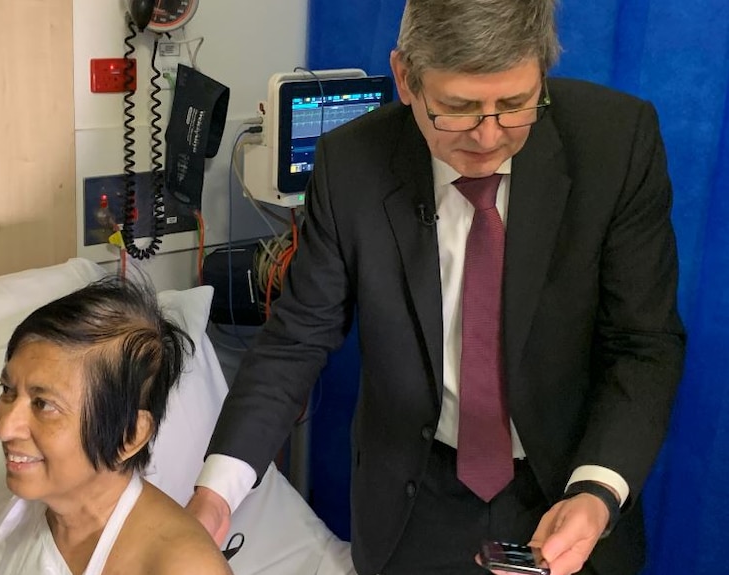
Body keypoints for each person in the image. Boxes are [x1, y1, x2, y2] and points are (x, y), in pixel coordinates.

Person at [187, 1, 686, 574]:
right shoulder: (351, 163)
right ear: (406, 78)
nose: (489, 136)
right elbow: (297, 339)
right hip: (413, 499)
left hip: (571, 484)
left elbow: (642, 344)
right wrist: (215, 495)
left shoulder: (616, 144)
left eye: (516, 105)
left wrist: (597, 492)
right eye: (458, 109)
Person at [0, 277, 233, 575]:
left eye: (44, 404)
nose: (5, 429)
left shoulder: (183, 567)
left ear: (129, 435)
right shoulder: (21, 512)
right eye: (7, 390)